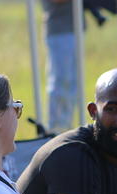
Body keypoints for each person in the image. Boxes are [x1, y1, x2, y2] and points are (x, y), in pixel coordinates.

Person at [41, 0, 77, 132]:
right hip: (60, 30)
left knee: (73, 83)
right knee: (61, 81)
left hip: (74, 28)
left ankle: (67, 125)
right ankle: (55, 128)